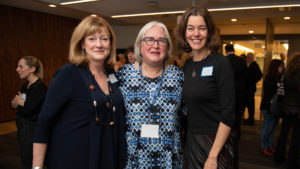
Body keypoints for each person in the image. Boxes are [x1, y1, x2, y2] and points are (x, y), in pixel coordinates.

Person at [32, 16, 126, 169]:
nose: (99, 44)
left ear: (111, 43)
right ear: (82, 43)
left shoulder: (112, 74)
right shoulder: (68, 74)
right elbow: (44, 121)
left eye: (104, 39)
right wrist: (37, 166)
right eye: (92, 39)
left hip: (106, 154)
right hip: (73, 158)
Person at [117, 21, 186, 168]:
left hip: (169, 160)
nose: (155, 45)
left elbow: (188, 114)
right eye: (149, 40)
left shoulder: (179, 76)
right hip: (133, 160)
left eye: (161, 40)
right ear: (140, 45)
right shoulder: (123, 75)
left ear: (167, 47)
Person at [174, 5, 236, 169]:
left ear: (209, 32)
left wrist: (213, 155)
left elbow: (228, 114)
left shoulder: (220, 63)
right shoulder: (187, 66)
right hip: (192, 140)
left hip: (215, 142)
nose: (196, 34)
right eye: (190, 28)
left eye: (202, 28)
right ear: (184, 33)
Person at [11, 56, 47, 169]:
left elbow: (27, 110)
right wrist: (19, 102)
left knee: (31, 160)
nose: (17, 69)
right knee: (25, 157)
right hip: (23, 128)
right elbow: (12, 105)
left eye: (21, 66)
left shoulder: (40, 87)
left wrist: (19, 102)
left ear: (32, 69)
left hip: (32, 129)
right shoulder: (25, 85)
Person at [274, 53, 300, 169]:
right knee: (296, 137)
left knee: (283, 134)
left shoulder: (286, 75)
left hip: (285, 108)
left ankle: (278, 157)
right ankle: (291, 162)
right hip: (297, 111)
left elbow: (281, 93)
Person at [225, 44, 248, 169]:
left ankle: (229, 131)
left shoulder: (224, 61)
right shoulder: (241, 61)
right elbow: (246, 77)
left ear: (226, 50)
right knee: (238, 113)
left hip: (228, 93)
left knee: (229, 112)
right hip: (240, 92)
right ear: (233, 50)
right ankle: (237, 132)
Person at [259, 59, 284, 156]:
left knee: (273, 128)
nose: (282, 68)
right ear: (275, 67)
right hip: (268, 107)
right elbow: (268, 96)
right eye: (280, 66)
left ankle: (269, 144)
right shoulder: (269, 79)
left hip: (275, 108)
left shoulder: (279, 78)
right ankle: (264, 146)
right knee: (267, 128)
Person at [244, 52, 262, 125]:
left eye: (247, 58)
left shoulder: (254, 65)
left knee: (250, 105)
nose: (246, 59)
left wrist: (253, 81)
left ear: (250, 58)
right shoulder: (252, 65)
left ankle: (251, 120)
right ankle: (250, 119)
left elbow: (260, 75)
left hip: (250, 89)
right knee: (249, 104)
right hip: (249, 88)